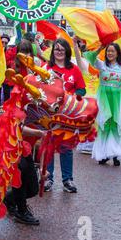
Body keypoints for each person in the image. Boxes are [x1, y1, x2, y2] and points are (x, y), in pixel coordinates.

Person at [44, 38, 86, 193]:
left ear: (67, 52)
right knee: (48, 146)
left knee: (66, 147)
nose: (59, 52)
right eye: (56, 49)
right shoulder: (46, 68)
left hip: (67, 114)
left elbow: (82, 89)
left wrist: (71, 97)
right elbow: (38, 86)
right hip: (49, 114)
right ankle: (48, 177)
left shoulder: (74, 69)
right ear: (53, 51)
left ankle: (67, 179)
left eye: (62, 49)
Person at [3, 127, 45, 225]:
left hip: (25, 149)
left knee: (33, 189)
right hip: (10, 146)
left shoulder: (45, 116)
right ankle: (22, 211)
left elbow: (44, 143)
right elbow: (14, 126)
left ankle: (9, 198)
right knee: (20, 177)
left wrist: (42, 167)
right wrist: (38, 132)